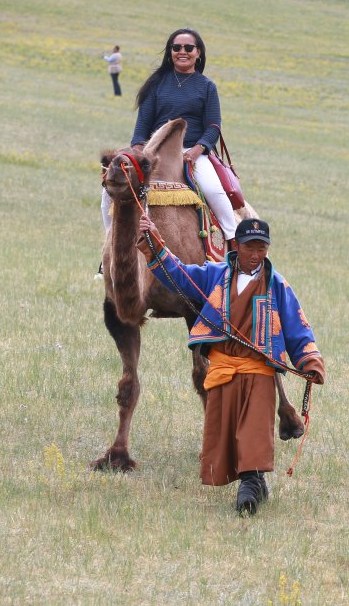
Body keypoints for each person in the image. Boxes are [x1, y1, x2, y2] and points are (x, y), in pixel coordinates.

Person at [136, 214, 326, 515]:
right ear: (236, 246)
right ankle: (257, 481)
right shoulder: (215, 275)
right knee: (227, 434)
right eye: (250, 247)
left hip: (259, 372)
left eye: (262, 248)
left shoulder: (277, 285)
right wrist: (154, 243)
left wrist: (310, 361)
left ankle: (249, 487)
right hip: (223, 370)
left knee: (254, 430)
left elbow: (296, 326)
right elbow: (179, 276)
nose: (255, 255)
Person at [100, 28, 238, 249]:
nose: (182, 51)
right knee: (109, 191)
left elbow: (213, 126)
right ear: (170, 51)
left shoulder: (207, 87)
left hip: (192, 152)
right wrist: (138, 152)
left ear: (198, 52)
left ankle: (233, 244)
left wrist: (197, 151)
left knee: (213, 190)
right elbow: (142, 126)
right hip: (154, 153)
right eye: (176, 47)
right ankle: (111, 247)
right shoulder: (155, 84)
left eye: (188, 47)